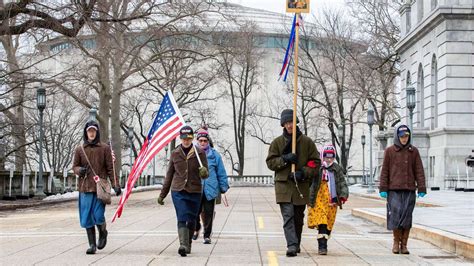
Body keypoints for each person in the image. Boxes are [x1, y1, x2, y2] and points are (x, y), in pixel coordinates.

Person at [266, 109, 320, 257]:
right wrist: (285, 159)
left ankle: (296, 243)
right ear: (283, 124)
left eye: (292, 122)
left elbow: (315, 163)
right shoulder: (277, 143)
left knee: (297, 218)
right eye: (287, 122)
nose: (290, 125)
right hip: (283, 186)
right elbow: (270, 162)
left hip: (300, 186)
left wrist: (303, 172)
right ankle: (291, 244)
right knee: (288, 216)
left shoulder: (307, 142)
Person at [157, 125, 209, 257]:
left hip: (195, 190)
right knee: (182, 216)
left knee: (191, 219)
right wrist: (162, 195)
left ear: (192, 139)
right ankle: (183, 245)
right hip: (178, 190)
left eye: (189, 138)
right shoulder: (175, 153)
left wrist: (204, 173)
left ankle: (188, 244)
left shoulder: (200, 153)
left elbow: (205, 173)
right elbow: (169, 175)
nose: (186, 141)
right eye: (184, 138)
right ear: (181, 138)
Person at [73, 120, 121, 255]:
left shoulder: (105, 148)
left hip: (100, 188)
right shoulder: (79, 149)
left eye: (94, 131)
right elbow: (74, 166)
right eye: (89, 131)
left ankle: (103, 232)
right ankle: (92, 245)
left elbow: (110, 168)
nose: (91, 133)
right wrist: (79, 170)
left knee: (98, 215)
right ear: (86, 133)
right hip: (85, 188)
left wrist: (116, 185)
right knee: (87, 218)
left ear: (97, 132)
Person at [379, 124, 426, 255]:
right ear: (397, 137)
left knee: (407, 217)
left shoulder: (414, 151)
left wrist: (421, 187)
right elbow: (385, 171)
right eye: (402, 136)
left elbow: (419, 171)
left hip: (409, 189)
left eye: (406, 136)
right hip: (393, 189)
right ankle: (395, 242)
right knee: (395, 216)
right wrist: (383, 188)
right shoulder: (389, 151)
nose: (404, 139)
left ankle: (404, 245)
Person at [308, 145, 348, 255]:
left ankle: (325, 236)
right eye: (326, 157)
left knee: (329, 223)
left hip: (332, 199)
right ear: (322, 156)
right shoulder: (318, 167)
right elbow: (309, 179)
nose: (329, 159)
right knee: (322, 221)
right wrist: (310, 168)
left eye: (331, 157)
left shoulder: (337, 168)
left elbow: (342, 183)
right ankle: (322, 247)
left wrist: (343, 195)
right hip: (318, 198)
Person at [192, 127, 229, 244]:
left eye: (205, 141)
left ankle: (207, 235)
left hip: (210, 189)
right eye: (201, 140)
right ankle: (196, 227)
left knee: (208, 214)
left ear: (208, 142)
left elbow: (221, 172)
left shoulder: (215, 156)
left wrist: (223, 187)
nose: (203, 143)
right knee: (194, 212)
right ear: (197, 141)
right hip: (196, 188)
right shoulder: (193, 154)